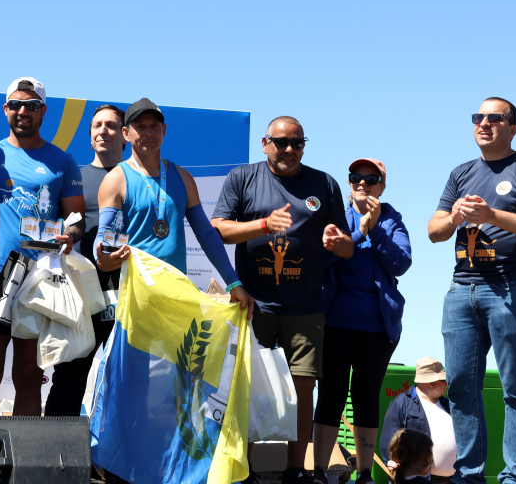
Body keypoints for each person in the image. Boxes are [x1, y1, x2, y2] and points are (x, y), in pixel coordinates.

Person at [212, 115, 352, 484]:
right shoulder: (243, 177)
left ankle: (296, 469)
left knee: (303, 388)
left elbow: (347, 245)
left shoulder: (324, 183)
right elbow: (219, 230)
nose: (290, 150)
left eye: (298, 143)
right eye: (281, 143)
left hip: (306, 307)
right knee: (248, 387)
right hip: (253, 305)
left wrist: (340, 243)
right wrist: (262, 225)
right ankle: (245, 468)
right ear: (265, 143)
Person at [428, 97, 516, 484]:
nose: (483, 123)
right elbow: (435, 232)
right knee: (459, 386)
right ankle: (469, 475)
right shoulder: (461, 172)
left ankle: (515, 476)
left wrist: (492, 215)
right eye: (477, 118)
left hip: (513, 287)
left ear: (512, 127)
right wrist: (455, 215)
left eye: (494, 118)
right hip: (461, 291)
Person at [0, 77, 85, 417]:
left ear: (43, 112)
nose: (23, 111)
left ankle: (24, 463)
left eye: (32, 106)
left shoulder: (62, 161)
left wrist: (71, 234)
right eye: (17, 105)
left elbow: (76, 219)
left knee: (29, 375)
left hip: (40, 278)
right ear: (5, 109)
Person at [95, 98, 253, 317]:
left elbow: (206, 234)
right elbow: (104, 235)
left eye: (154, 126)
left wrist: (233, 282)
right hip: (137, 298)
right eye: (140, 126)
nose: (148, 132)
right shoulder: (116, 180)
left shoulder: (183, 178)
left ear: (164, 130)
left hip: (177, 295)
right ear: (126, 133)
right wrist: (103, 256)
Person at [313, 158, 412, 484]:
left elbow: (401, 264)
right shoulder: (333, 216)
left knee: (366, 397)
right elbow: (322, 257)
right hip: (335, 323)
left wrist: (377, 230)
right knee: (331, 395)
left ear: (381, 187)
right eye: (356, 177)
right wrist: (360, 231)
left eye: (371, 179)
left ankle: (365, 474)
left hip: (377, 328)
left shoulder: (393, 220)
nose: (363, 183)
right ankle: (319, 472)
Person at [44, 104, 125, 418]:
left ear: (126, 135)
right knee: (70, 374)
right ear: (90, 136)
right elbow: (61, 225)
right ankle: (55, 457)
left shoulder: (138, 177)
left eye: (111, 125)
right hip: (81, 289)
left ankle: (115, 464)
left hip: (128, 289)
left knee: (125, 379)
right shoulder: (74, 176)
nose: (103, 131)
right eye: (97, 125)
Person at [380, 358, 456, 484]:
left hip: (451, 480)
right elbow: (388, 441)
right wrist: (393, 465)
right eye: (443, 380)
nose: (446, 384)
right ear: (431, 382)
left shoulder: (446, 403)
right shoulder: (401, 403)